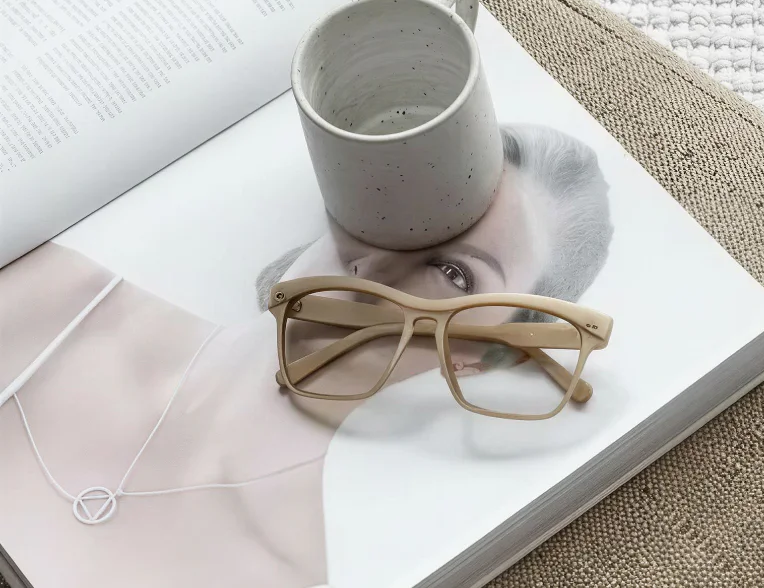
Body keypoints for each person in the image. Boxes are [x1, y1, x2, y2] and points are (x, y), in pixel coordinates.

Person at [0, 125, 612, 588]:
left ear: (483, 355)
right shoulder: (58, 292)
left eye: (453, 272)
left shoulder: (282, 571)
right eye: (394, 205)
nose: (378, 264)